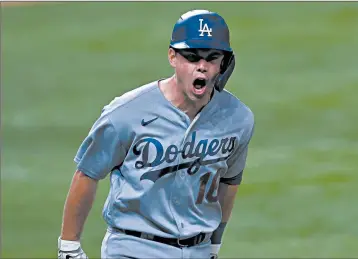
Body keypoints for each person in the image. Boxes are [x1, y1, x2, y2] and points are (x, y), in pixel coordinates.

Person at [58, 9, 255, 259]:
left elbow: (229, 182)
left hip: (199, 250)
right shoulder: (126, 112)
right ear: (172, 57)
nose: (202, 67)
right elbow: (87, 172)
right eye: (192, 57)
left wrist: (214, 245)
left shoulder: (237, 118)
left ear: (224, 63)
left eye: (212, 57)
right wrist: (69, 246)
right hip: (133, 248)